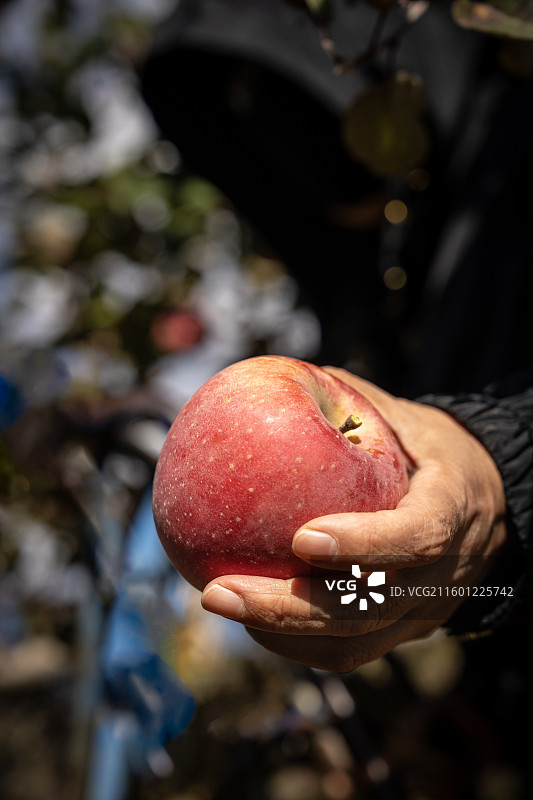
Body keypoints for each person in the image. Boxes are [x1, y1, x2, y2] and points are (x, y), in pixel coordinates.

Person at [139, 0, 533, 673]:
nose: (269, 137)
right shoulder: (372, 295)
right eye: (232, 102)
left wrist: (505, 465)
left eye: (276, 89)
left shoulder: (507, 170)